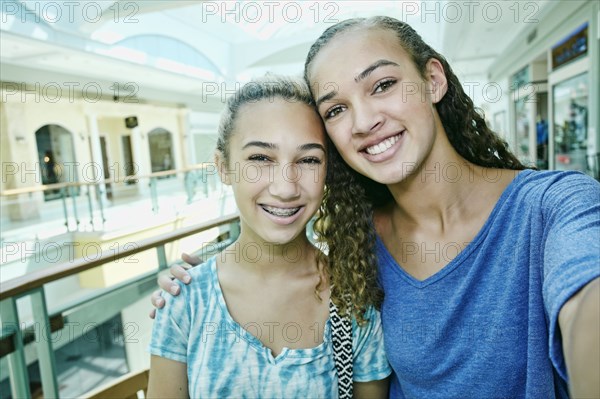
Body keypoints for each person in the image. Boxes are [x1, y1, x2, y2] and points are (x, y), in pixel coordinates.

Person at [155, 17, 600, 398]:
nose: (365, 121)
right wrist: (198, 278)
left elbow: (586, 304)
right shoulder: (357, 248)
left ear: (433, 79)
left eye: (383, 85)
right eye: (337, 109)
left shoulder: (555, 206)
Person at [147, 75, 391, 398]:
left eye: (308, 160)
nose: (285, 188)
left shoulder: (353, 299)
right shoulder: (185, 302)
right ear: (224, 167)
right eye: (260, 158)